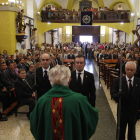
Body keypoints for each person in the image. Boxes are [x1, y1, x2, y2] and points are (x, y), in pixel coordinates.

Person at [30, 65, 98, 140]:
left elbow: (34, 124)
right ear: (69, 80)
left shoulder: (42, 101)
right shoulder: (80, 100)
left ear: (50, 81)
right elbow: (90, 120)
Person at [112, 61, 140, 140]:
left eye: (131, 70)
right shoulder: (119, 81)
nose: (129, 72)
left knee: (132, 132)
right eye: (127, 69)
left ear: (135, 70)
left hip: (133, 112)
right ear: (125, 69)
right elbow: (113, 94)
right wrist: (117, 96)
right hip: (122, 111)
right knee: (121, 132)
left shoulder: (138, 82)